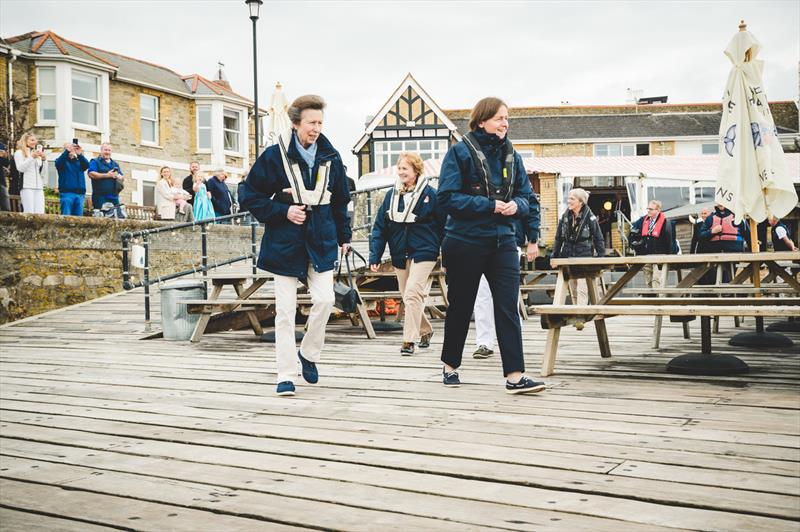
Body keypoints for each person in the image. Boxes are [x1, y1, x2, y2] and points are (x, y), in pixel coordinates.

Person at [239, 94, 351, 397]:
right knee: (285, 312)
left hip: (322, 238)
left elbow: (341, 200)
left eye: (320, 123)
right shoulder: (274, 156)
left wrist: (345, 237)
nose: (316, 128)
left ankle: (309, 354)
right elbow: (248, 195)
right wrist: (283, 210)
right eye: (311, 123)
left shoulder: (332, 156)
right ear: (295, 123)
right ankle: (285, 374)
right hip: (285, 241)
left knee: (326, 300)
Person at [437, 96, 545, 395]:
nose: (505, 123)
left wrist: (517, 207)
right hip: (464, 242)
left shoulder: (513, 156)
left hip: (504, 242)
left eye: (507, 118)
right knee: (460, 306)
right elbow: (446, 198)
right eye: (500, 118)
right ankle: (450, 366)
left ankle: (514, 376)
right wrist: (491, 206)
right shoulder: (459, 153)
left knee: (508, 307)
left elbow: (528, 197)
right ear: (482, 120)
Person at [369, 152, 444, 356]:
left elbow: (443, 225)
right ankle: (425, 329)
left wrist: (446, 251)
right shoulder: (391, 196)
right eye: (399, 168)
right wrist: (375, 255)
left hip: (424, 251)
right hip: (400, 252)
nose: (401, 172)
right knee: (408, 296)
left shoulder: (431, 195)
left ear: (416, 171)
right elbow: (379, 227)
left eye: (405, 168)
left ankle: (408, 341)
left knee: (412, 293)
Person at [472, 186, 540, 359]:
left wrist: (533, 239)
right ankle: (484, 342)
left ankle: (512, 341)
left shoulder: (514, 172)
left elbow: (530, 205)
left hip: (509, 240)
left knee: (509, 295)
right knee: (482, 294)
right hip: (478, 241)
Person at [552, 188, 604, 313]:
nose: (568, 201)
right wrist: (554, 257)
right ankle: (577, 313)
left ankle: (581, 314)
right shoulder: (565, 217)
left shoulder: (590, 217)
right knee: (572, 287)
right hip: (567, 255)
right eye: (568, 198)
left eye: (572, 199)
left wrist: (601, 258)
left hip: (584, 255)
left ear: (581, 202)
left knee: (582, 287)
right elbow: (558, 238)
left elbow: (598, 237)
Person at [629, 200, 676, 289]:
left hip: (660, 257)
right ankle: (651, 300)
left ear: (658, 210)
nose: (648, 211)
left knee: (658, 281)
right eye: (648, 208)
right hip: (645, 256)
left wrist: (670, 257)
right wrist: (636, 246)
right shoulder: (642, 220)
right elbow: (632, 233)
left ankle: (659, 301)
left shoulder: (667, 223)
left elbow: (670, 241)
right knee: (648, 282)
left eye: (651, 209)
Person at [701, 203, 749, 283]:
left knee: (728, 277)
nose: (721, 203)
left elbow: (748, 234)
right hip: (715, 254)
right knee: (715, 277)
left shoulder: (737, 216)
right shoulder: (711, 218)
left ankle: (729, 292)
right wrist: (712, 231)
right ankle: (722, 293)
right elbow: (701, 236)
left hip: (734, 253)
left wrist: (752, 252)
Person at [13, 132, 48, 214]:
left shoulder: (37, 153)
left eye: (35, 140)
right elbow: (21, 168)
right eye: (32, 140)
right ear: (25, 141)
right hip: (27, 186)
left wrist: (44, 160)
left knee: (40, 212)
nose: (35, 142)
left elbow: (42, 172)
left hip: (39, 187)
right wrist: (31, 157)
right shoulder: (19, 153)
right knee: (29, 212)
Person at [55, 141, 89, 216]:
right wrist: (67, 151)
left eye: (73, 148)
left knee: (78, 219)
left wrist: (79, 154)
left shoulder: (79, 161)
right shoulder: (61, 161)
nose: (71, 149)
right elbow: (58, 164)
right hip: (67, 194)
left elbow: (87, 165)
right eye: (69, 148)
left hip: (80, 194)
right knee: (66, 218)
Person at [88, 143, 124, 210]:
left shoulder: (115, 164)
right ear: (101, 150)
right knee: (101, 218)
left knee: (115, 218)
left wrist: (120, 177)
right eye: (105, 150)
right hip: (100, 197)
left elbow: (122, 177)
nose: (107, 152)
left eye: (109, 150)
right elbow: (91, 174)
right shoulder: (95, 161)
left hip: (114, 197)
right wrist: (108, 175)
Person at [0, 142, 11, 211]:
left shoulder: (1, 145)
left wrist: (5, 156)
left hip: (1, 182)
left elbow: (6, 163)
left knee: (6, 209)